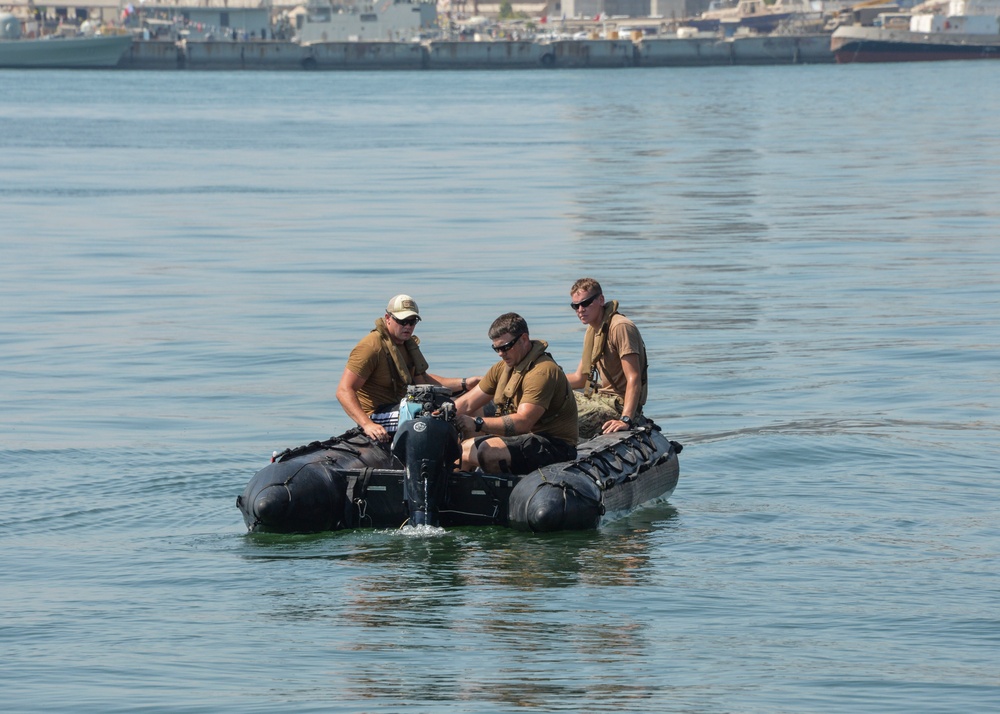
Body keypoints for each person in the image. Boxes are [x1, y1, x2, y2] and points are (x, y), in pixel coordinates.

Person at [336, 294, 478, 443]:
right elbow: (343, 390)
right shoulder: (371, 347)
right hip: (377, 415)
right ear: (388, 318)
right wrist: (367, 425)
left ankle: (466, 459)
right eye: (402, 321)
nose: (408, 326)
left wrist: (465, 383)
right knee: (429, 416)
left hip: (403, 406)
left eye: (412, 321)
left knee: (463, 406)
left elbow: (423, 381)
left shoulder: (406, 345)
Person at [454, 313, 578, 474]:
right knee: (462, 450)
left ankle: (503, 495)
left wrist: (477, 423)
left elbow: (523, 422)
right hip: (524, 439)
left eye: (505, 347)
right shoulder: (502, 368)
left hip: (555, 445)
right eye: (496, 348)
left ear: (524, 339)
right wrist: (441, 414)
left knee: (488, 451)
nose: (501, 353)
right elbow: (468, 403)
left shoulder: (542, 371)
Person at [565, 278, 648, 437]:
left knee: (562, 423)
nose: (580, 310)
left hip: (617, 405)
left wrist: (625, 419)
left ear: (601, 300)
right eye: (575, 306)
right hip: (599, 397)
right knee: (550, 403)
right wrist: (544, 383)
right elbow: (580, 379)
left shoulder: (620, 327)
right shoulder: (592, 330)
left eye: (586, 303)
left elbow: (634, 377)